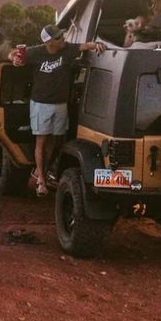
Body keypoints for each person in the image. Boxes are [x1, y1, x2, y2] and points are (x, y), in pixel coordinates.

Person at [12, 25, 105, 196]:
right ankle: (40, 180)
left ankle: (44, 172)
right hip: (41, 103)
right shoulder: (37, 52)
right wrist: (14, 59)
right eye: (59, 37)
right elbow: (13, 54)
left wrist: (96, 44)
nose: (63, 38)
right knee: (41, 140)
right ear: (49, 42)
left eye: (62, 35)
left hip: (60, 104)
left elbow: (86, 45)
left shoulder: (68, 49)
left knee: (53, 142)